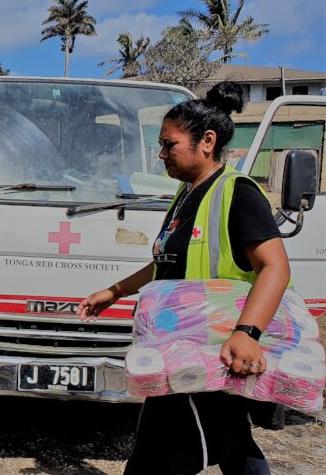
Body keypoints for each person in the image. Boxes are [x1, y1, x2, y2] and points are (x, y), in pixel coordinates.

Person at [78, 81, 290, 475]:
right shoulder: (188, 195)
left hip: (216, 348)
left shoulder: (237, 193)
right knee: (232, 445)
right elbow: (166, 263)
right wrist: (116, 291)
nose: (161, 154)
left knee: (160, 455)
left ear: (206, 141)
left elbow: (274, 266)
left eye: (169, 144)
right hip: (185, 348)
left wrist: (247, 333)